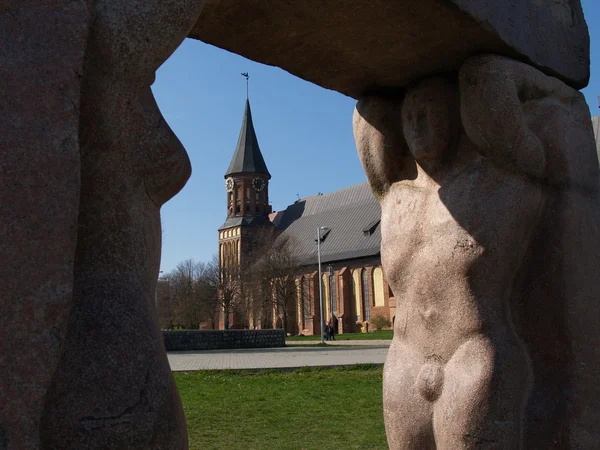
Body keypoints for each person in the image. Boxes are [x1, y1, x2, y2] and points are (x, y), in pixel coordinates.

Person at [352, 54, 584, 448]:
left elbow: (485, 77)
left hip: (474, 360)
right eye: (408, 114)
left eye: (428, 111)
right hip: (404, 365)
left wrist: (554, 85)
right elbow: (367, 111)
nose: (415, 123)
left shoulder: (504, 177)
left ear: (459, 114)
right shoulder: (393, 196)